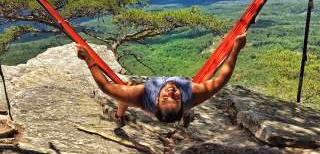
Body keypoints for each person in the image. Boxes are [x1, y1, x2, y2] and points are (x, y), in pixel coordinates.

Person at [76, 32, 246, 125]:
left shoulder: (142, 97)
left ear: (156, 100)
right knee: (198, 86)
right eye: (175, 98)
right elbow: (222, 79)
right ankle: (185, 116)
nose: (171, 91)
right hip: (185, 104)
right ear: (182, 102)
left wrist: (89, 59)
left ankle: (119, 116)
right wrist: (236, 49)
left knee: (126, 86)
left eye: (165, 98)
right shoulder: (191, 95)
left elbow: (106, 87)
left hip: (152, 101)